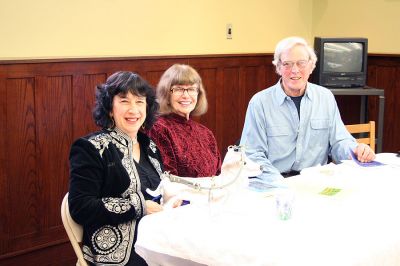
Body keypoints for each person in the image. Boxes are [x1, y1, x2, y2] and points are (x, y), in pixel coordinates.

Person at [68, 71, 179, 266]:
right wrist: (140, 207)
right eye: (124, 101)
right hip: (117, 253)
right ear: (110, 108)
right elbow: (80, 206)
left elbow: (154, 193)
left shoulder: (150, 146)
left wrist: (168, 200)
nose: (133, 110)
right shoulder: (91, 148)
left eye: (139, 101)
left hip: (157, 238)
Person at [240, 37, 375, 183]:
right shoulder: (259, 103)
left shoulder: (325, 98)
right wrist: (279, 183)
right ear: (278, 68)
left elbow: (339, 141)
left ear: (311, 66)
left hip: (316, 181)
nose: (295, 70)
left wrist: (355, 150)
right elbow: (252, 154)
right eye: (287, 64)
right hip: (275, 182)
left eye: (301, 63)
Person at [147, 64, 221, 177]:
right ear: (166, 93)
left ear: (198, 94)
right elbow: (168, 180)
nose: (186, 95)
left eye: (191, 89)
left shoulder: (206, 133)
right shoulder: (159, 129)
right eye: (179, 89)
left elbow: (218, 174)